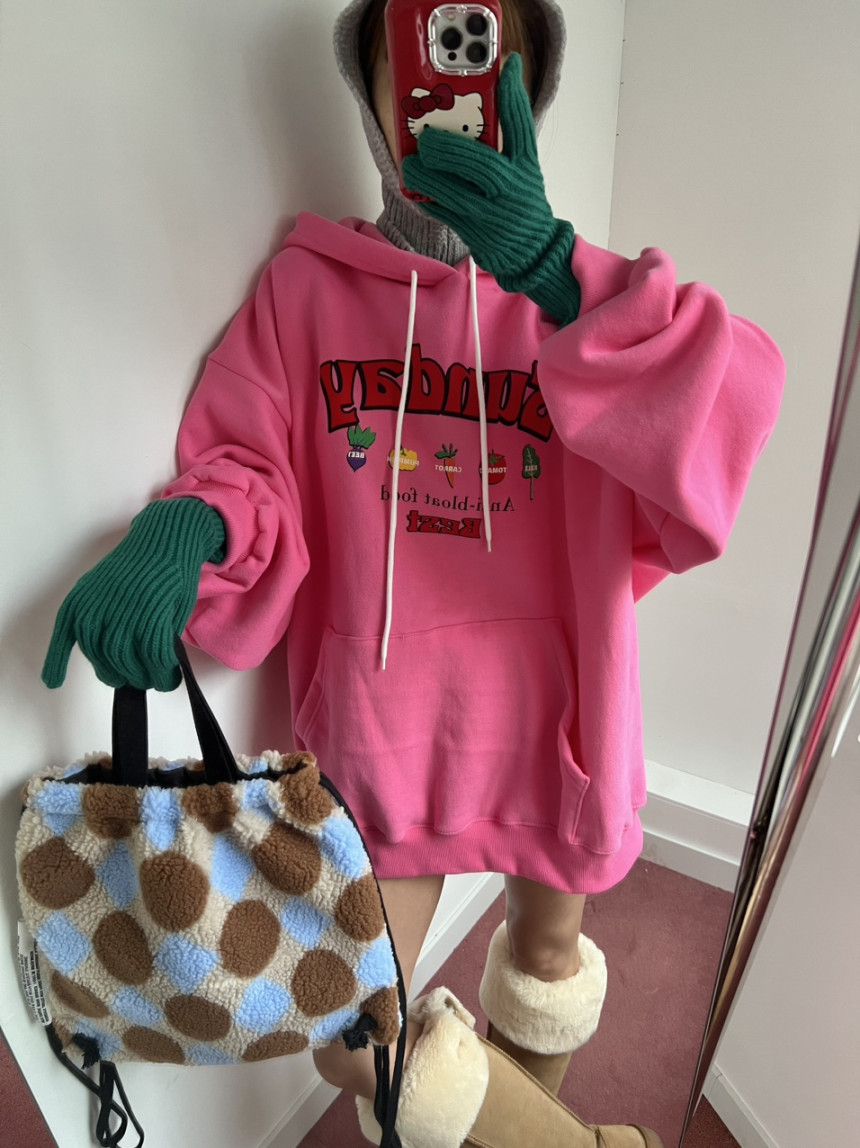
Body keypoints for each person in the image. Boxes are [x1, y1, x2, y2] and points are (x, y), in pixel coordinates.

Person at [41, 1, 784, 1145]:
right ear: (372, 90)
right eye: (420, 56)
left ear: (529, 93)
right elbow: (246, 459)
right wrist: (187, 525)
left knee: (545, 959)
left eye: (487, 60)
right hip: (382, 728)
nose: (450, 90)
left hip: (557, 714)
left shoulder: (585, 300)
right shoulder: (305, 290)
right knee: (357, 1038)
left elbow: (727, 400)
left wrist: (550, 270)